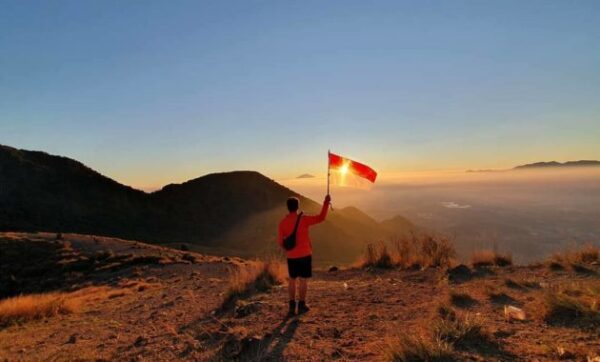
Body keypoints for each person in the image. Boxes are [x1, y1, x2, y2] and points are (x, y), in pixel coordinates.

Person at [277, 194, 331, 316]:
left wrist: (289, 249)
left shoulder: (282, 223)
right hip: (305, 254)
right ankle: (302, 305)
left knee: (292, 280)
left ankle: (291, 306)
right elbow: (321, 217)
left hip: (291, 256)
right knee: (303, 280)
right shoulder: (304, 219)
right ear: (297, 207)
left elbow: (280, 242)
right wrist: (326, 202)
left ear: (288, 207)